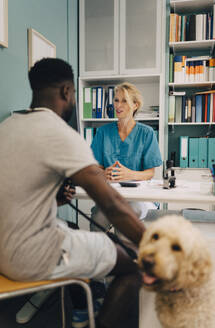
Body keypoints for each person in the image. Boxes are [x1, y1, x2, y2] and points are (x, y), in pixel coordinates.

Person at [0, 58, 145, 328]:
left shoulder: (8, 126)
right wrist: (154, 247)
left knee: (79, 232)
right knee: (135, 263)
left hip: (3, 249)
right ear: (67, 91)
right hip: (28, 256)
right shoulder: (58, 132)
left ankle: (82, 307)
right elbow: (112, 204)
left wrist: (54, 198)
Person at [90, 82, 162, 232]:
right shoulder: (103, 133)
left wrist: (130, 174)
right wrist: (104, 173)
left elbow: (150, 173)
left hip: (139, 197)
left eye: (124, 101)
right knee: (97, 218)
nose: (118, 105)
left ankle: (125, 254)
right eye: (116, 100)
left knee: (127, 216)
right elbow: (95, 168)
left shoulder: (146, 133)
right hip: (112, 195)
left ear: (135, 105)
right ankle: (102, 253)